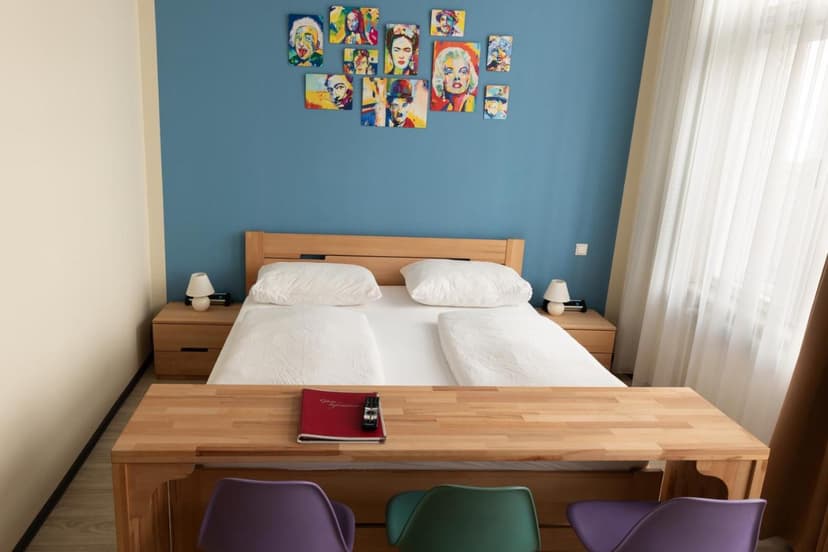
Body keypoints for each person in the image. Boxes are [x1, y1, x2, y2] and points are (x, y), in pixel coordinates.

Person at [431, 46, 478, 112]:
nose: (456, 77)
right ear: (440, 76)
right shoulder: (443, 109)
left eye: (463, 71)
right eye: (449, 72)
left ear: (469, 75)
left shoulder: (476, 105)